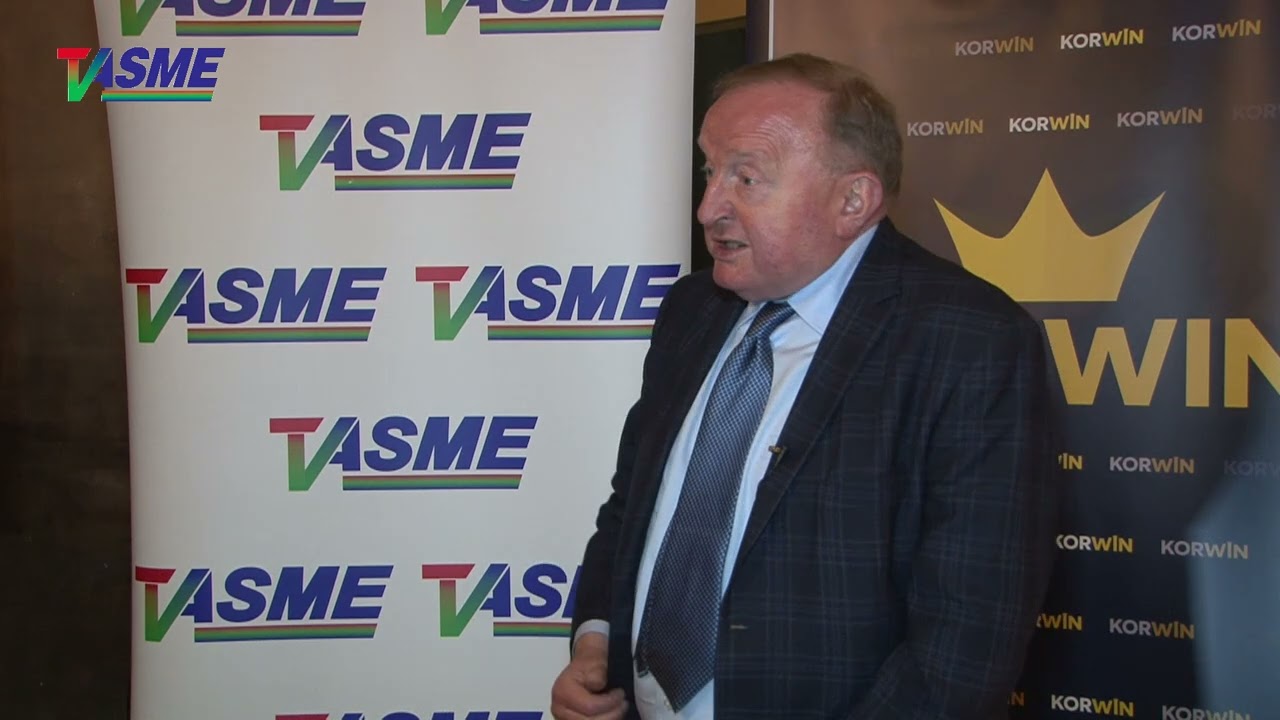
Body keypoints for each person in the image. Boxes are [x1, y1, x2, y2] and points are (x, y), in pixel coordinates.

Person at [551, 52, 1059, 720]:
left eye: (746, 178)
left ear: (853, 200)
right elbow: (633, 509)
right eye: (709, 172)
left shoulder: (970, 340)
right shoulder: (691, 311)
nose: (708, 208)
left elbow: (966, 643)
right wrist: (596, 643)